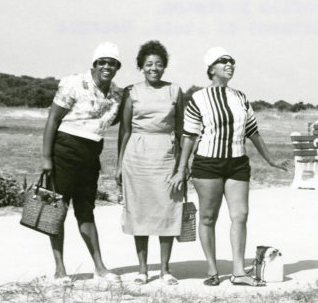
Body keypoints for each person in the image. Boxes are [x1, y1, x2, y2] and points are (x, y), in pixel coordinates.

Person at [179, 47, 289, 287]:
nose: (230, 64)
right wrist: (181, 168)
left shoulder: (240, 96)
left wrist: (270, 159)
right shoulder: (198, 98)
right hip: (207, 163)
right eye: (224, 61)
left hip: (238, 163)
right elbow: (188, 136)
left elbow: (253, 132)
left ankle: (238, 272)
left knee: (240, 215)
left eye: (232, 61)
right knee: (208, 217)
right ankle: (212, 270)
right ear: (211, 69)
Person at [41, 42, 125, 282]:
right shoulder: (73, 83)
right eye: (102, 62)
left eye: (112, 63)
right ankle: (60, 271)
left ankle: (100, 267)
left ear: (117, 67)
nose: (107, 67)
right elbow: (52, 120)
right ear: (95, 64)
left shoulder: (117, 94)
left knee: (86, 210)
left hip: (91, 153)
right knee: (55, 210)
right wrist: (47, 158)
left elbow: (114, 120)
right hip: (64, 150)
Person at [116, 40, 185, 286]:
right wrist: (118, 164)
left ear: (164, 66)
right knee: (140, 212)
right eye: (148, 64)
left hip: (166, 156)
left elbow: (180, 129)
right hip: (136, 156)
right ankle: (142, 269)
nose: (153, 68)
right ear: (141, 67)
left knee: (168, 209)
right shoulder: (131, 91)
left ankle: (166, 270)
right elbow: (124, 130)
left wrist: (183, 165)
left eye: (158, 64)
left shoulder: (175, 91)